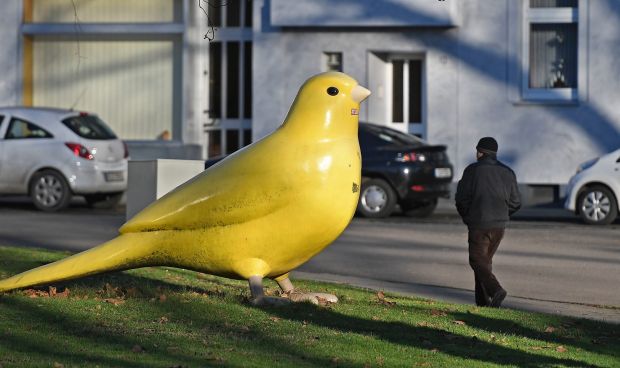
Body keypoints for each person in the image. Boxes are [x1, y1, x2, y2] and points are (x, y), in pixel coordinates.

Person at [455, 137, 521, 308]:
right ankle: (484, 304)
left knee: (477, 261)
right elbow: (516, 202)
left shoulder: (472, 170)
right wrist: (502, 216)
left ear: (480, 152)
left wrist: (468, 218)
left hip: (478, 224)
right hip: (499, 227)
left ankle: (496, 290)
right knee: (484, 264)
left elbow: (461, 199)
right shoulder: (508, 172)